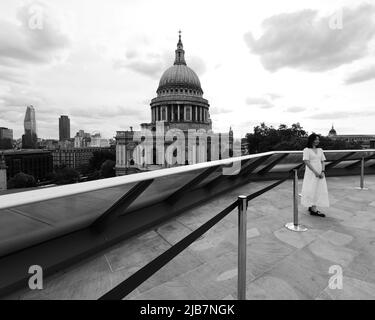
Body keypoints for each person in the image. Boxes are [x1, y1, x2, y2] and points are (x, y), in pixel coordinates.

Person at [301, 133, 329, 217]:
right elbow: (306, 161)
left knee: (318, 188)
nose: (318, 141)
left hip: (320, 172)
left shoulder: (320, 150)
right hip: (311, 173)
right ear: (311, 140)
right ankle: (313, 209)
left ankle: (312, 206)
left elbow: (323, 161)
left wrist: (323, 171)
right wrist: (315, 172)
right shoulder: (306, 150)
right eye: (316, 139)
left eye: (318, 139)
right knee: (311, 188)